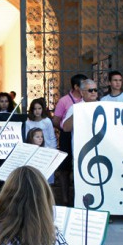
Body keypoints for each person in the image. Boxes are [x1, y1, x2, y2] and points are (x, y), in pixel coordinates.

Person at [53, 74, 85, 206]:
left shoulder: (88, 100)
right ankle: (65, 198)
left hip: (83, 135)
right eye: (83, 85)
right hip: (67, 135)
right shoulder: (64, 101)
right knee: (65, 169)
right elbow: (56, 120)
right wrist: (64, 128)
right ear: (76, 86)